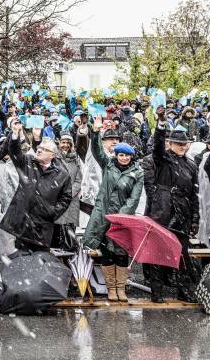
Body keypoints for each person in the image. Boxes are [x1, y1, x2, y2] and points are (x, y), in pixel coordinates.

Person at [83, 116, 144, 302]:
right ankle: (111, 289)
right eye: (121, 155)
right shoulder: (108, 165)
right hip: (103, 215)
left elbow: (135, 198)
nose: (124, 158)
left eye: (127, 155)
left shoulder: (137, 172)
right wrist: (95, 132)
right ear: (116, 155)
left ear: (131, 156)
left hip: (123, 219)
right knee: (107, 252)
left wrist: (121, 215)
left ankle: (121, 289)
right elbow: (97, 150)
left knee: (121, 252)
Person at [145, 106, 200, 303]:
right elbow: (158, 147)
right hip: (163, 211)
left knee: (182, 255)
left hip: (183, 213)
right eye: (178, 143)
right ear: (171, 144)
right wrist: (160, 125)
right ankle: (156, 292)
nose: (181, 146)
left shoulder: (191, 165)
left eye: (184, 144)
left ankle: (183, 291)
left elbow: (195, 194)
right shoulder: (163, 159)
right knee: (157, 253)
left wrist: (195, 219)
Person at [0, 119, 72, 252]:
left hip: (42, 227)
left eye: (44, 149)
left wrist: (52, 212)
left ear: (53, 155)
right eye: (39, 148)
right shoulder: (27, 162)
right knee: (22, 262)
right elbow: (14, 152)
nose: (39, 151)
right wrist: (15, 133)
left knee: (41, 262)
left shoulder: (62, 174)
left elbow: (66, 198)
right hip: (22, 225)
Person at [53, 132, 83, 250]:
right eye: (63, 142)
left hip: (71, 199)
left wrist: (69, 193)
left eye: (67, 143)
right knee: (56, 230)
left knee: (69, 232)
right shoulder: (54, 158)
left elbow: (79, 179)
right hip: (56, 198)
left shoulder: (76, 159)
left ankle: (69, 256)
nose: (65, 145)